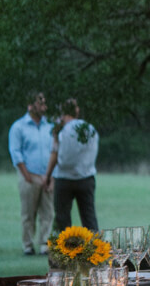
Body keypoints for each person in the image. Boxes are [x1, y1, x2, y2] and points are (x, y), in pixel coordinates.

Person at [8, 90, 54, 256]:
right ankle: (28, 244)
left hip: (48, 176)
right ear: (30, 105)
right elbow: (15, 152)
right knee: (28, 212)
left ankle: (45, 244)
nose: (44, 106)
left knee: (47, 213)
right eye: (40, 102)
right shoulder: (19, 127)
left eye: (44, 102)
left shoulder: (50, 126)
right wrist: (27, 175)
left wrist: (51, 177)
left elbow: (55, 151)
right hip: (29, 176)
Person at [45, 99, 99, 233]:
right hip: (86, 178)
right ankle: (96, 250)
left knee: (62, 220)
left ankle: (66, 251)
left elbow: (54, 154)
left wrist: (48, 176)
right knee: (89, 218)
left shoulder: (61, 131)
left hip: (64, 179)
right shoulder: (90, 128)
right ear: (77, 111)